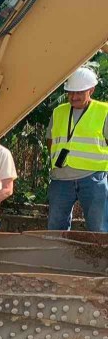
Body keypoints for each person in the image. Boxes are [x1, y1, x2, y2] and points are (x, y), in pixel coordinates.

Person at [46, 66, 108, 232]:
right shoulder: (58, 112)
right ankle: (57, 257)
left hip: (93, 177)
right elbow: (50, 141)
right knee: (55, 228)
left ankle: (100, 258)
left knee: (99, 228)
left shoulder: (104, 111)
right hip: (61, 178)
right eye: (71, 92)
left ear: (91, 90)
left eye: (79, 92)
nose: (74, 97)